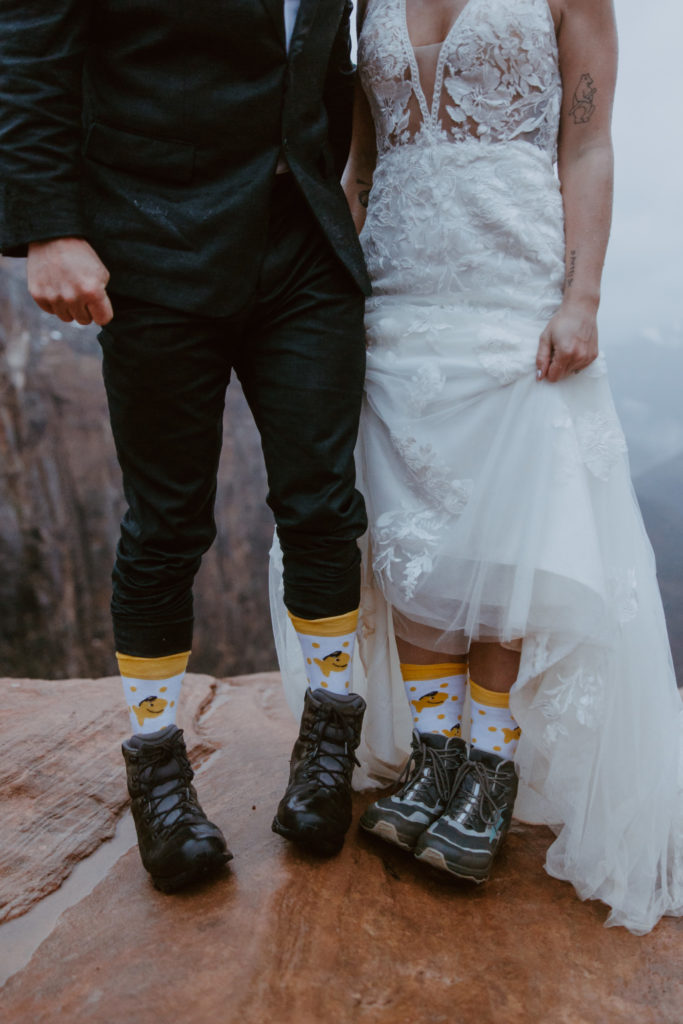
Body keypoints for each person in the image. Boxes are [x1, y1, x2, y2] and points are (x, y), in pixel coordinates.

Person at [284, 0, 683, 933]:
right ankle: (434, 755)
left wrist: (580, 296)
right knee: (414, 529)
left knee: (511, 526)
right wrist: (331, 305)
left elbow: (585, 146)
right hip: (392, 297)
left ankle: (489, 763)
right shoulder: (369, 0)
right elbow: (361, 165)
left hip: (515, 291)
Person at [0, 0, 373, 892]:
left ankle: (328, 739)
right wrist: (49, 227)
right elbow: (27, 48)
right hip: (153, 241)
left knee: (323, 503)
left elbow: (329, 66)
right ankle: (159, 762)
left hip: (304, 249)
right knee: (166, 524)